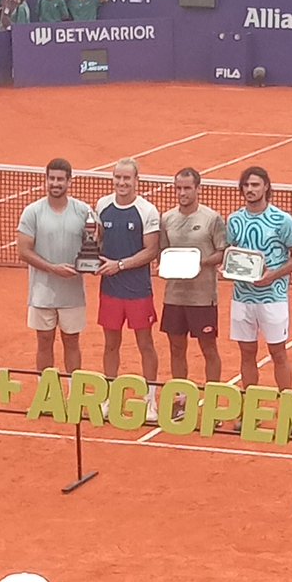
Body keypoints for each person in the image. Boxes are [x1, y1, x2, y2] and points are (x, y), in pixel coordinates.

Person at [227, 166, 292, 396]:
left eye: (255, 185)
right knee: (246, 353)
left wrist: (273, 275)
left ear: (266, 187)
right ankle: (251, 410)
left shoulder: (282, 220)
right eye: (246, 185)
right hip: (242, 298)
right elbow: (230, 253)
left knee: (278, 353)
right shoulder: (234, 220)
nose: (250, 190)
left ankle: (288, 410)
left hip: (273, 298)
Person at [95, 158, 160, 423]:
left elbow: (151, 250)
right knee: (111, 345)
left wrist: (119, 265)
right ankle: (108, 397)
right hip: (109, 290)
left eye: (127, 179)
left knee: (145, 344)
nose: (122, 183)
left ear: (136, 181)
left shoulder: (147, 211)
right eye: (118, 178)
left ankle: (150, 400)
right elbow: (97, 240)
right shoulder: (102, 205)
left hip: (138, 291)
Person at [17, 158, 93, 372]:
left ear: (69, 181)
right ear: (46, 180)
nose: (55, 183)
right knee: (44, 342)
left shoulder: (83, 211)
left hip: (73, 294)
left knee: (72, 342)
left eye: (60, 179)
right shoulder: (32, 212)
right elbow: (23, 251)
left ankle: (74, 396)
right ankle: (46, 395)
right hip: (41, 293)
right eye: (52, 178)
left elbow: (95, 243)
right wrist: (53, 268)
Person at [160, 167, 227, 394]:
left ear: (197, 188)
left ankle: (213, 402)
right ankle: (181, 398)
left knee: (208, 348)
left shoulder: (212, 219)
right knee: (176, 348)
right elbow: (162, 252)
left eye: (187, 188)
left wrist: (198, 262)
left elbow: (222, 252)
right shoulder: (167, 219)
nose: (182, 193)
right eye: (178, 188)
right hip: (174, 296)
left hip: (203, 298)